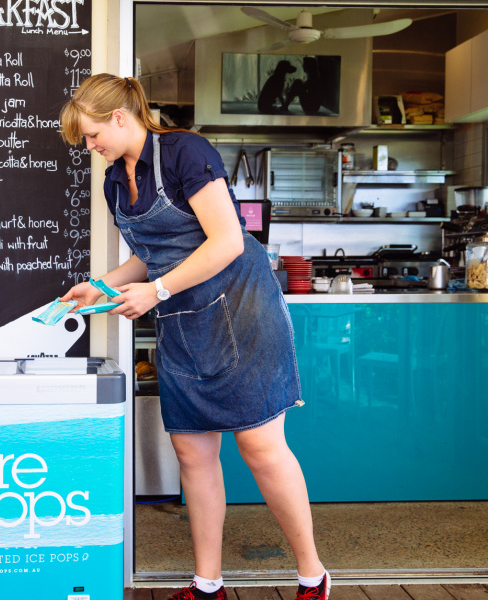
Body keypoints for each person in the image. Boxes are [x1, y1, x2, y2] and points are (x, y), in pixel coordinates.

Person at [58, 73, 329, 600]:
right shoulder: (115, 179)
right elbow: (151, 254)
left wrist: (156, 291)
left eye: (92, 135)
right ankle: (208, 585)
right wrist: (100, 286)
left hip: (242, 308)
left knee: (260, 446)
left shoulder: (185, 152)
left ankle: (312, 576)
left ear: (119, 117)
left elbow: (227, 241)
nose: (89, 147)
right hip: (184, 316)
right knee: (192, 454)